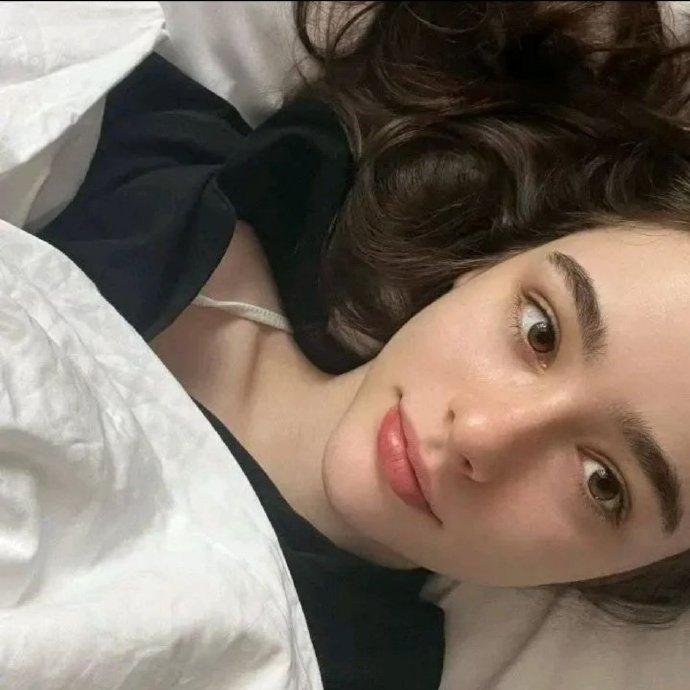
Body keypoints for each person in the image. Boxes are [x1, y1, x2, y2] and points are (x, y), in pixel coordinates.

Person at [35, 2, 690, 688]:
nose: (483, 434)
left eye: (602, 483)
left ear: (624, 574)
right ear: (492, 265)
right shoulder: (185, 154)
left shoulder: (334, 669)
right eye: (541, 332)